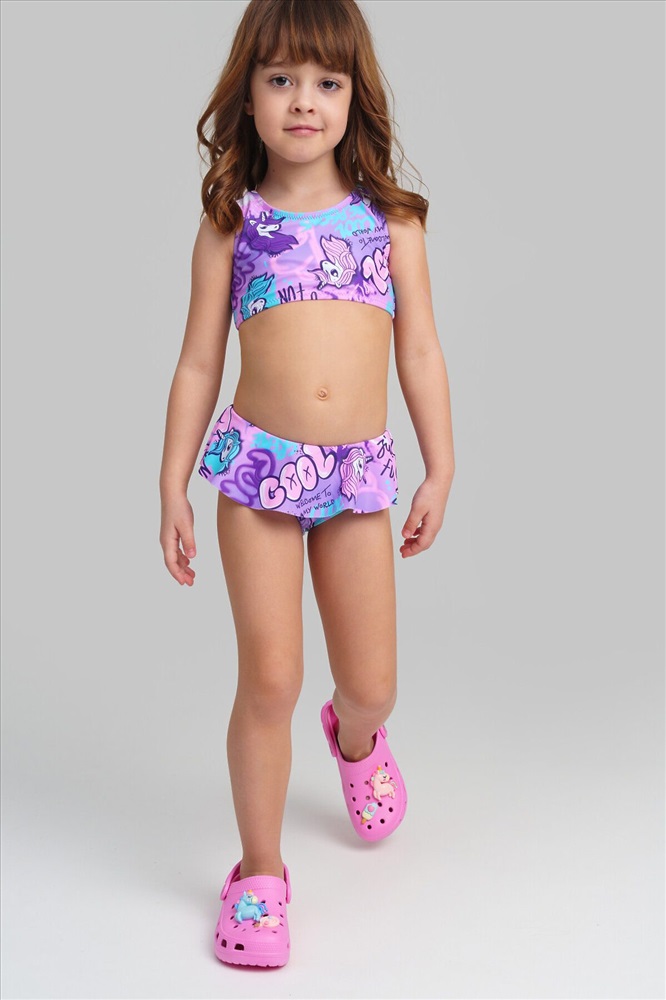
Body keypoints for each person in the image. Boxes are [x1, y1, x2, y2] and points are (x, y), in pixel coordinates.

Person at [159, 0, 455, 969]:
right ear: (247, 94)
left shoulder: (391, 223)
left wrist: (441, 464)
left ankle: (355, 739)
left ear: (354, 96)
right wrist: (171, 482)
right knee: (271, 678)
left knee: (372, 683)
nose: (303, 101)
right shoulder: (231, 227)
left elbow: (420, 351)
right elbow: (198, 363)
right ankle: (259, 874)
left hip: (356, 477)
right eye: (281, 79)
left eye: (326, 82)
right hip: (257, 474)